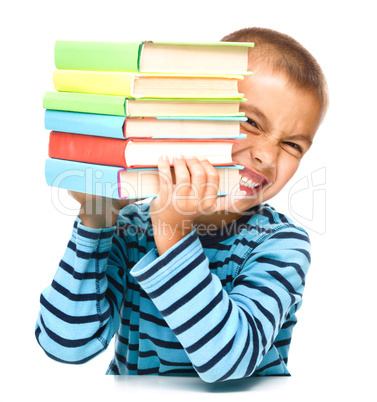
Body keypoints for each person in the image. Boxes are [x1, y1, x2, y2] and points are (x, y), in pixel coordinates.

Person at [35, 27, 328, 383]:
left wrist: (173, 232)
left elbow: (230, 362)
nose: (267, 156)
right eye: (250, 122)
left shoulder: (280, 243)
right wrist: (96, 220)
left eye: (293, 145)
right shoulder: (131, 228)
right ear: (192, 112)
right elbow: (66, 344)